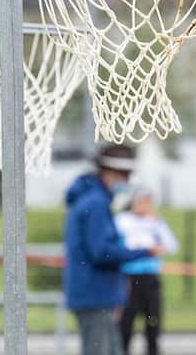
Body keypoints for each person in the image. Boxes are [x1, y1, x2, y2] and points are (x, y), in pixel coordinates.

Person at [63, 145, 161, 355]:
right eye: (125, 175)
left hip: (97, 295)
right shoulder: (96, 204)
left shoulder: (93, 200)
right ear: (109, 172)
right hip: (95, 296)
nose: (127, 181)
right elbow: (101, 252)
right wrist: (142, 251)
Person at [115, 186, 180, 355]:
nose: (145, 205)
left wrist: (158, 224)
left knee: (153, 321)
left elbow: (172, 246)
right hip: (129, 278)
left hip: (150, 278)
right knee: (125, 323)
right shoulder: (122, 221)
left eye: (148, 202)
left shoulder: (155, 223)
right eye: (142, 201)